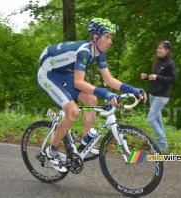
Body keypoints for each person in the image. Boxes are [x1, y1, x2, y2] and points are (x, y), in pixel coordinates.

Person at [37, 18, 146, 172]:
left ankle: (86, 138)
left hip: (64, 73)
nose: (110, 42)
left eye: (111, 38)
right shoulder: (84, 51)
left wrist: (132, 89)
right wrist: (106, 93)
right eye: (107, 37)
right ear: (95, 37)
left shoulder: (99, 53)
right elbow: (79, 83)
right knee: (73, 111)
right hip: (48, 75)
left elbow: (108, 79)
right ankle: (52, 151)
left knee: (91, 99)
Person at [140, 40, 177, 151]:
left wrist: (156, 77)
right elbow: (155, 77)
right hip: (153, 94)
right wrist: (147, 77)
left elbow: (173, 79)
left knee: (151, 118)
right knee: (158, 119)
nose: (158, 50)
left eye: (161, 48)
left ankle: (161, 143)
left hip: (162, 96)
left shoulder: (170, 64)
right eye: (158, 48)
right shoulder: (159, 62)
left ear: (167, 50)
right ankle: (163, 146)